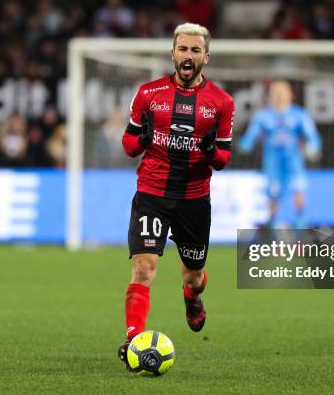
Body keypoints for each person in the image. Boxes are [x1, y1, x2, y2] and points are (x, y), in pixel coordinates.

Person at [118, 22, 234, 369]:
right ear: (172, 53)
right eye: (182, 49)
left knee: (193, 276)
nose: (188, 56)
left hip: (193, 199)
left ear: (206, 57)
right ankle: (133, 338)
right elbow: (128, 145)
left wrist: (212, 151)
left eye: (195, 50)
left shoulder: (221, 103)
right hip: (152, 193)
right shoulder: (148, 95)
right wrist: (143, 139)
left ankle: (192, 296)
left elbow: (224, 159)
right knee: (143, 267)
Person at [238, 80, 321, 229]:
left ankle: (300, 229)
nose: (279, 96)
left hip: (294, 162)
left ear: (290, 95)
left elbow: (313, 136)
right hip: (273, 163)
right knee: (273, 196)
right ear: (270, 95)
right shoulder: (262, 116)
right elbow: (250, 137)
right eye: (276, 93)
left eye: (282, 92)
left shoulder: (299, 114)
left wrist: (312, 147)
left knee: (298, 193)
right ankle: (273, 231)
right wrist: (244, 144)